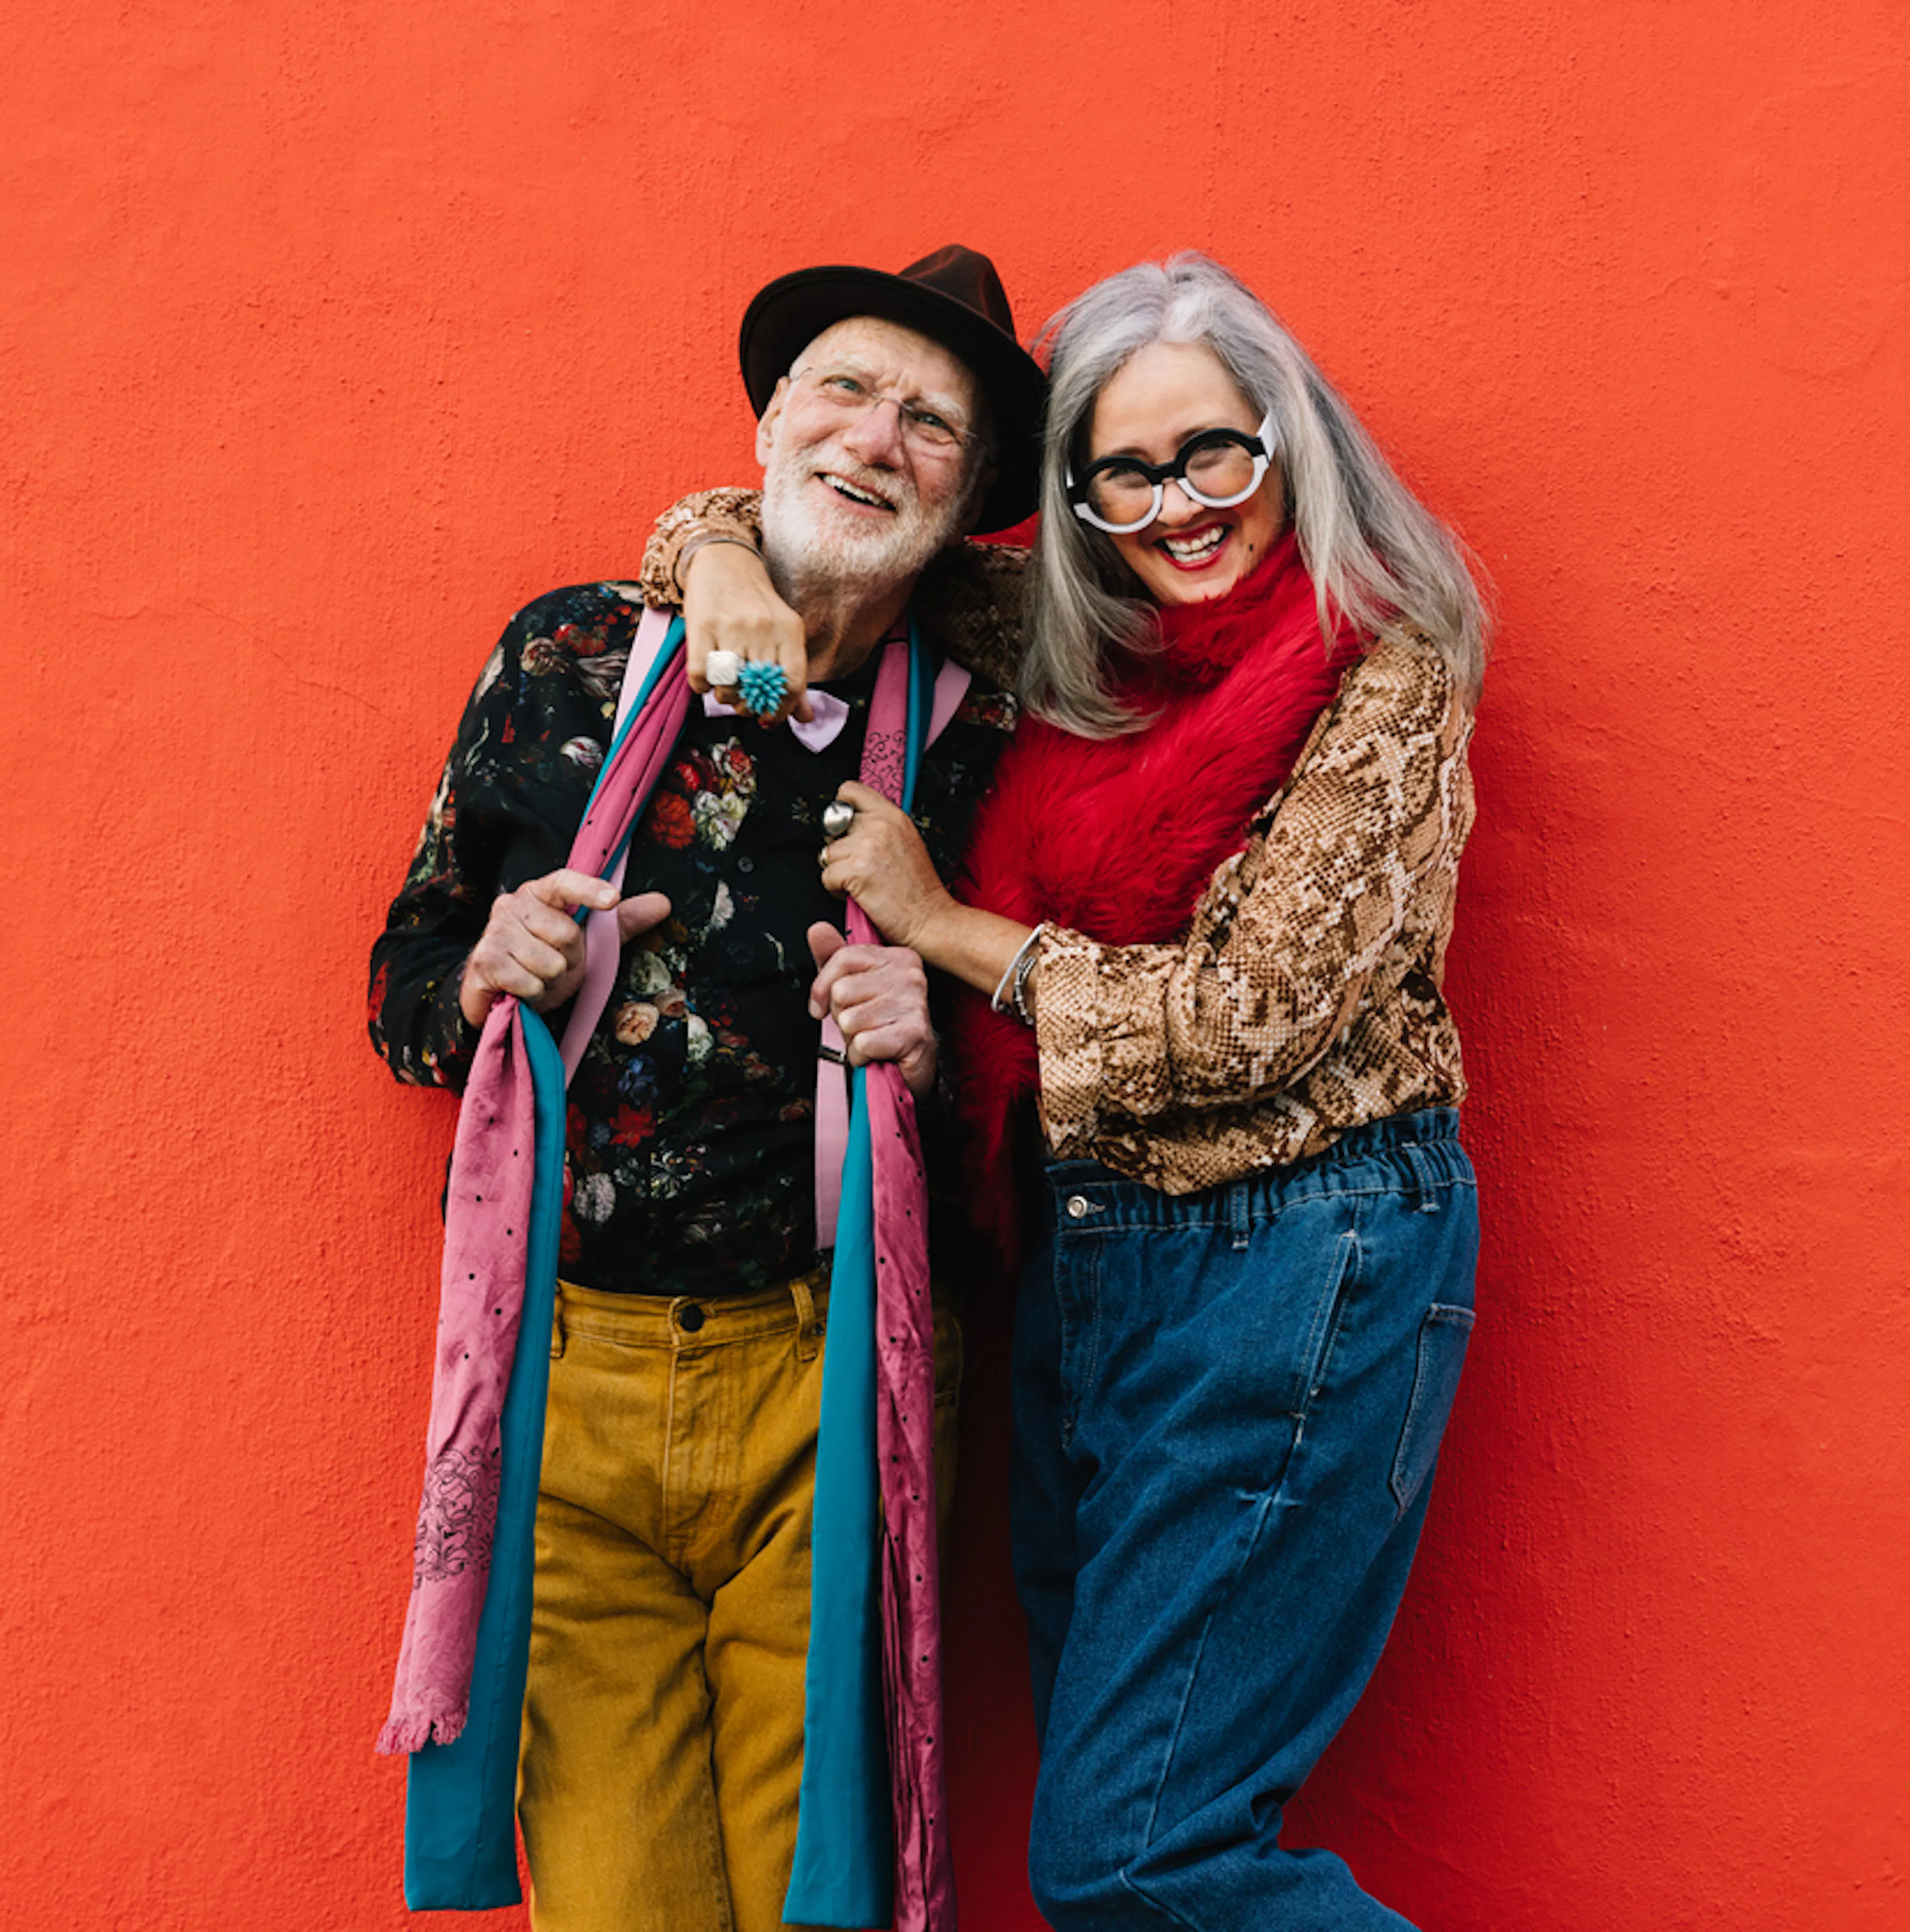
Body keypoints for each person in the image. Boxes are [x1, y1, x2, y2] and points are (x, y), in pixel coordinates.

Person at [658, 252, 1487, 1931]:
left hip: (1297, 1259)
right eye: (1129, 468)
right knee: (1125, 1817)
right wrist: (719, 565)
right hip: (1085, 1272)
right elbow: (819, 537)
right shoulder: (1064, 634)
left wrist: (947, 926)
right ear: (1076, 491)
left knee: (1132, 1856)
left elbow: (1253, 1017)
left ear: (1289, 446)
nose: (1180, 506)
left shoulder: (1383, 674)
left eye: (1216, 455)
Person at [368, 245, 1045, 1932]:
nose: (875, 440)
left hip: (838, 1379)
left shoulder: (993, 736)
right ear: (763, 422)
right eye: (842, 389)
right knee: (617, 1903)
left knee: (831, 1894)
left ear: (969, 505)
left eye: (930, 423)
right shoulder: (575, 659)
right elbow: (403, 977)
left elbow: (1050, 1099)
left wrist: (935, 1020)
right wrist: (486, 969)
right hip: (572, 1382)